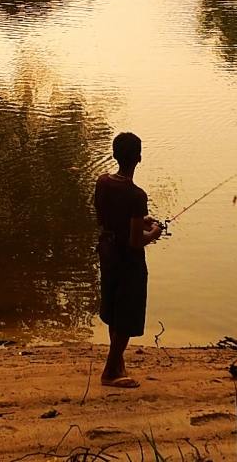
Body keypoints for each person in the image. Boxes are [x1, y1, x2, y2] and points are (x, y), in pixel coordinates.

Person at [94, 131, 162, 387]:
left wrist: (139, 220)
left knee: (114, 308)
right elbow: (136, 241)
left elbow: (106, 217)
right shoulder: (136, 195)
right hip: (127, 260)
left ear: (115, 155)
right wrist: (154, 232)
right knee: (126, 312)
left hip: (107, 252)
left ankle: (117, 361)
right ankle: (111, 370)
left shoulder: (103, 182)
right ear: (139, 158)